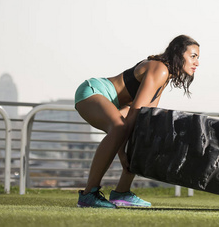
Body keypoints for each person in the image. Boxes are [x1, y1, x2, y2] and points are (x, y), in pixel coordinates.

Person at [74, 35, 200, 208]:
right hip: (93, 91)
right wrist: (122, 153)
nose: (197, 63)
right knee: (120, 128)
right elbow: (135, 111)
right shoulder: (160, 69)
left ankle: (122, 192)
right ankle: (88, 194)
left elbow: (145, 116)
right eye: (193, 56)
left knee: (141, 134)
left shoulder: (165, 76)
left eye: (198, 58)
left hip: (116, 103)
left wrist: (133, 149)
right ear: (179, 54)